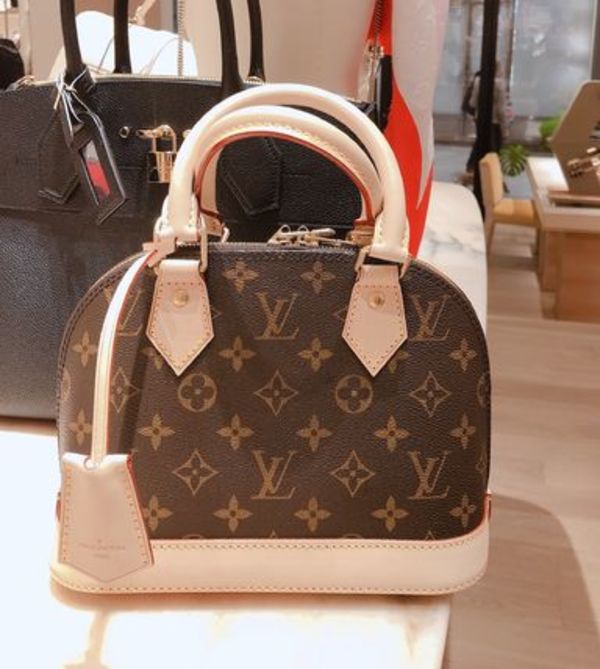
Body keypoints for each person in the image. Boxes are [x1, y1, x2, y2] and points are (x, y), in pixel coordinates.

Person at [465, 60, 509, 173]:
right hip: (495, 121)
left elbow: (472, 103)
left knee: (480, 142)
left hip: (479, 118)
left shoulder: (479, 81)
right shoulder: (499, 84)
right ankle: (492, 172)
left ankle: (472, 167)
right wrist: (505, 128)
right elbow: (501, 109)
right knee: (494, 148)